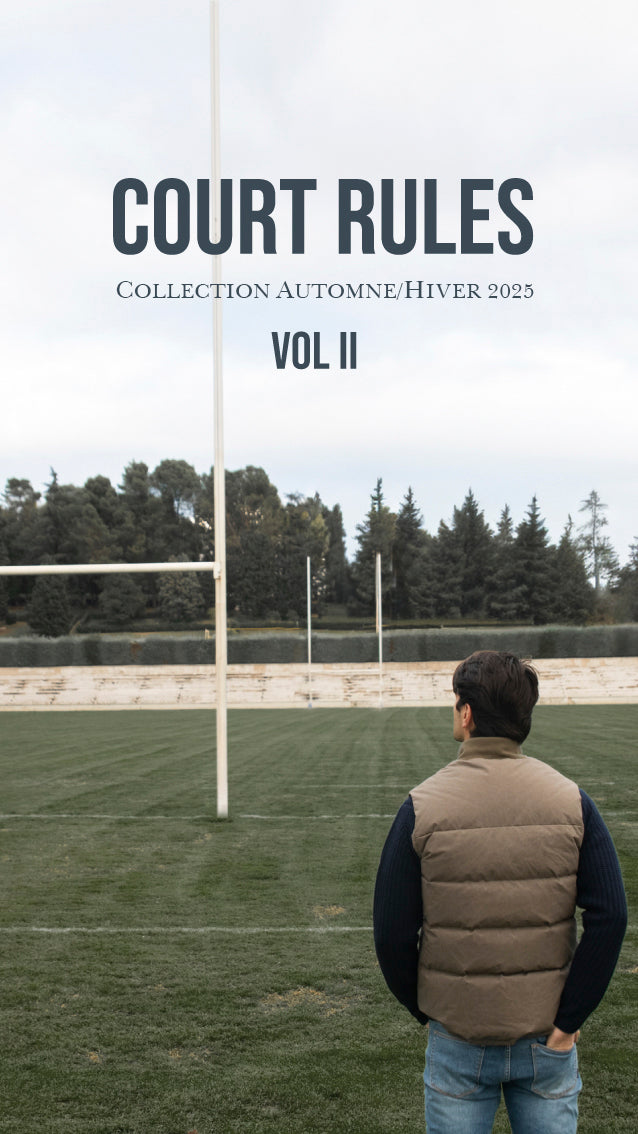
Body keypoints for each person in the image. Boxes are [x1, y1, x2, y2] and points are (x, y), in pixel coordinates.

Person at [373, 650, 627, 1134]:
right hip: (547, 1039)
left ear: (467, 713)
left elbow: (391, 932)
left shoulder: (421, 806)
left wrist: (427, 1010)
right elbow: (611, 917)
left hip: (458, 1037)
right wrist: (570, 1020)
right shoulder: (573, 801)